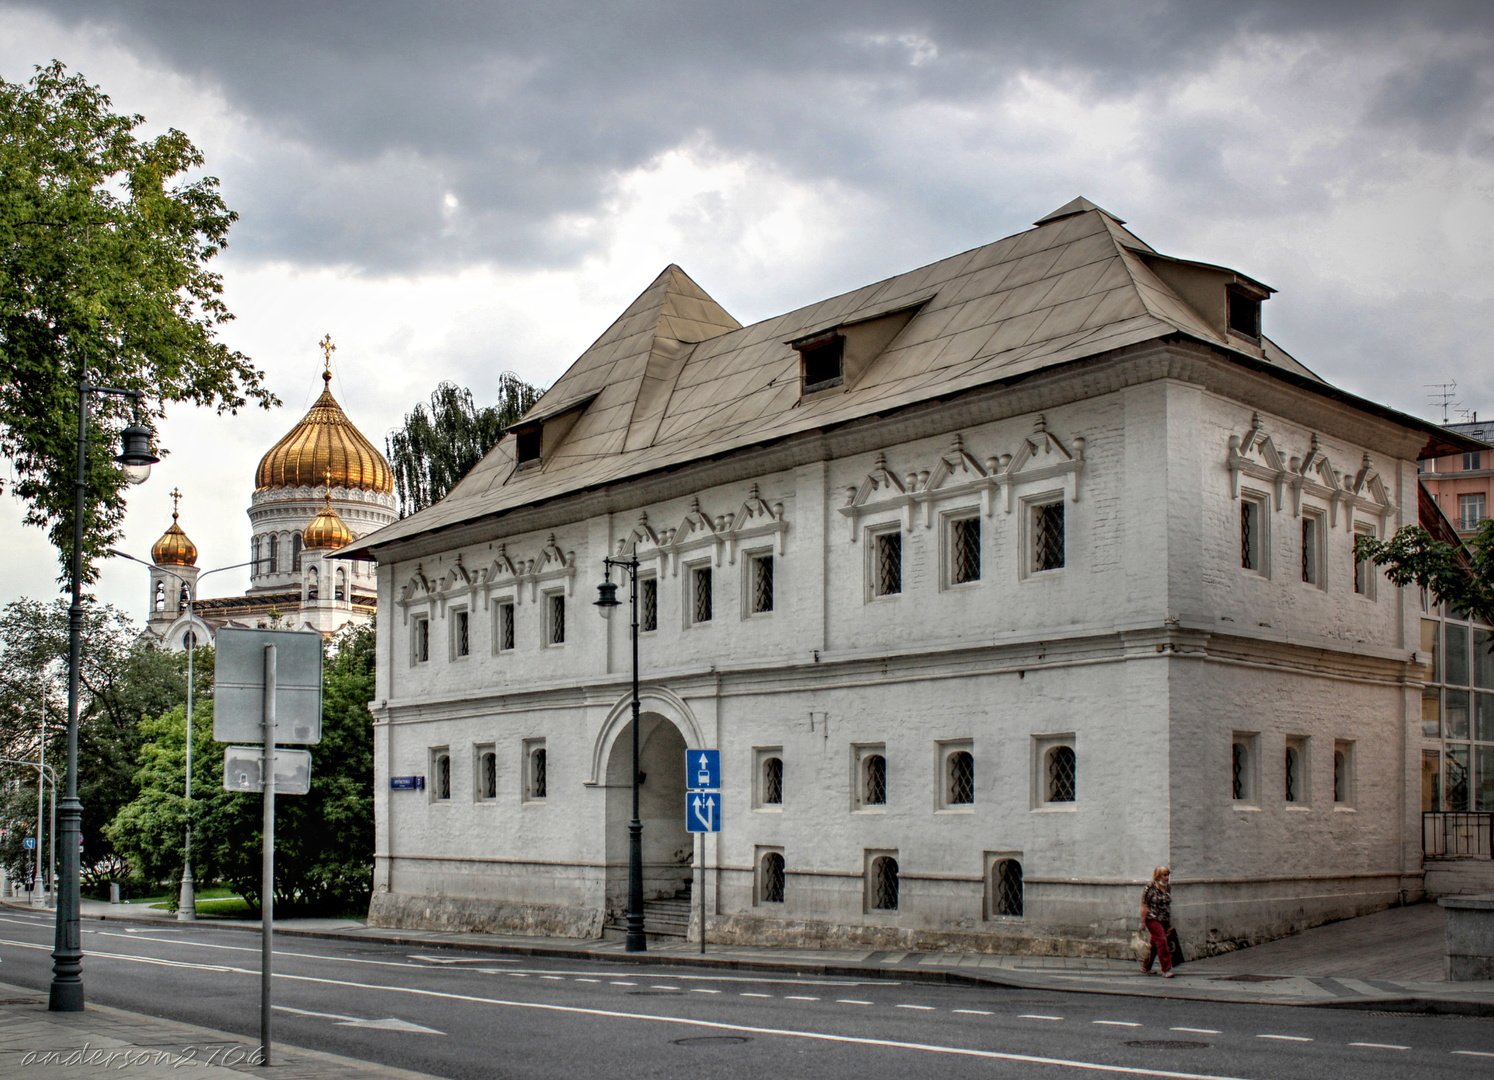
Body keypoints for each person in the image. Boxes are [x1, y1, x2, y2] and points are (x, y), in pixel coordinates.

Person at [1139, 865, 1175, 977]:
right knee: (1162, 941)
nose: (1167, 877)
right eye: (1164, 875)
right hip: (1152, 918)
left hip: (1163, 919)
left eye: (1168, 874)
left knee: (1155, 943)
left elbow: (1167, 906)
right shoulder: (1150, 887)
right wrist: (1143, 922)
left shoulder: (1168, 887)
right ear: (1158, 875)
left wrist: (1168, 923)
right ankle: (1166, 969)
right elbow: (1144, 904)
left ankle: (1146, 966)